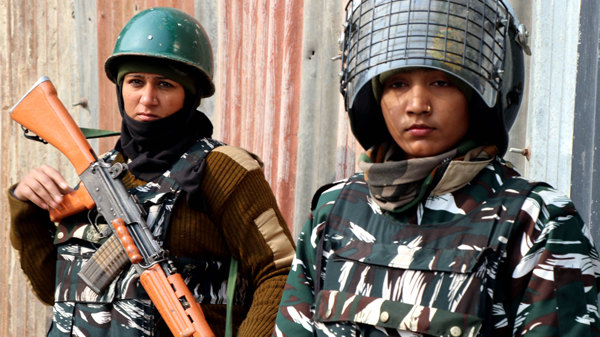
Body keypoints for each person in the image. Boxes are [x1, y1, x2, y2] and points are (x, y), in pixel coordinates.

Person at [274, 0, 600, 336]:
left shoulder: (535, 221)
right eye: (397, 83)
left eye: (442, 82)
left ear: (476, 96)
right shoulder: (334, 211)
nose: (417, 105)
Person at [8, 7, 295, 337]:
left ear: (190, 94)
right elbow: (55, 291)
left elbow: (279, 272)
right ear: (120, 88)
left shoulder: (221, 169)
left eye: (165, 84)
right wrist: (26, 209)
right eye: (135, 81)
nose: (147, 98)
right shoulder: (103, 171)